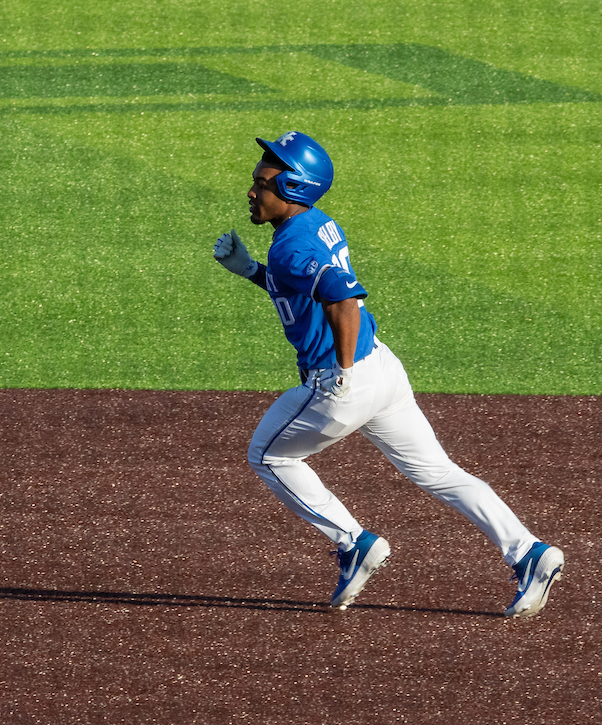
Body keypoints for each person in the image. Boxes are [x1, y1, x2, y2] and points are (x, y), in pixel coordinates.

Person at [213, 131, 564, 617]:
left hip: (343, 380)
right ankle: (529, 552)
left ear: (293, 187)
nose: (251, 190)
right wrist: (250, 270)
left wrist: (343, 371)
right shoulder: (315, 225)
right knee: (439, 473)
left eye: (262, 182)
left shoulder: (291, 246)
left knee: (268, 456)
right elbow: (302, 288)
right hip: (384, 371)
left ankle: (353, 543)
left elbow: (343, 299)